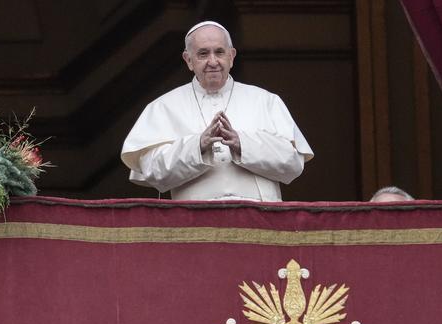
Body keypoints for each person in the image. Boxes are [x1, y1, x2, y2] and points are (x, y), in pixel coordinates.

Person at [121, 21, 313, 201]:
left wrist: (243, 144)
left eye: (219, 52)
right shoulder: (163, 107)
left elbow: (293, 164)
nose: (212, 61)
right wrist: (197, 146)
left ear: (231, 56)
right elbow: (152, 171)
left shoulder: (266, 101)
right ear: (188, 60)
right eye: (203, 54)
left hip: (259, 221)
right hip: (195, 224)